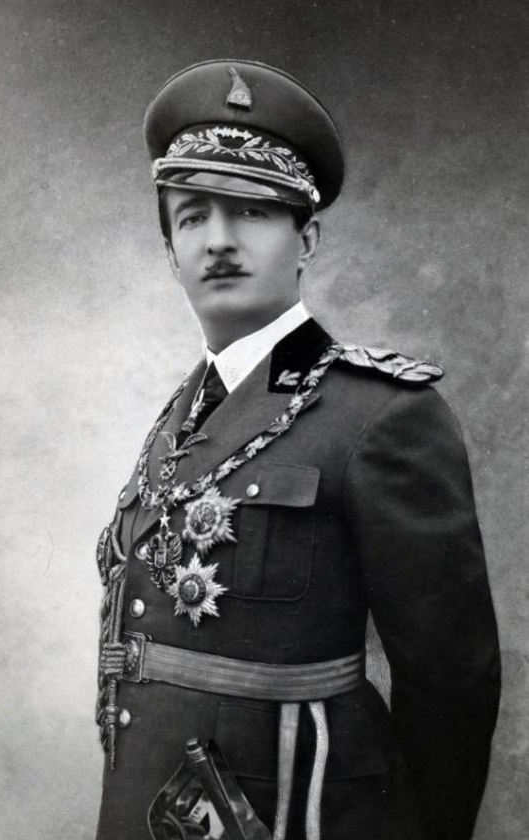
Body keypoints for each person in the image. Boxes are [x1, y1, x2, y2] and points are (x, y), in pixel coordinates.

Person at [94, 59, 500, 840]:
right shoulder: (182, 412)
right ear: (170, 253)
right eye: (192, 218)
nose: (218, 241)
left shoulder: (382, 416)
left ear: (306, 238)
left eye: (251, 213)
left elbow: (452, 682)